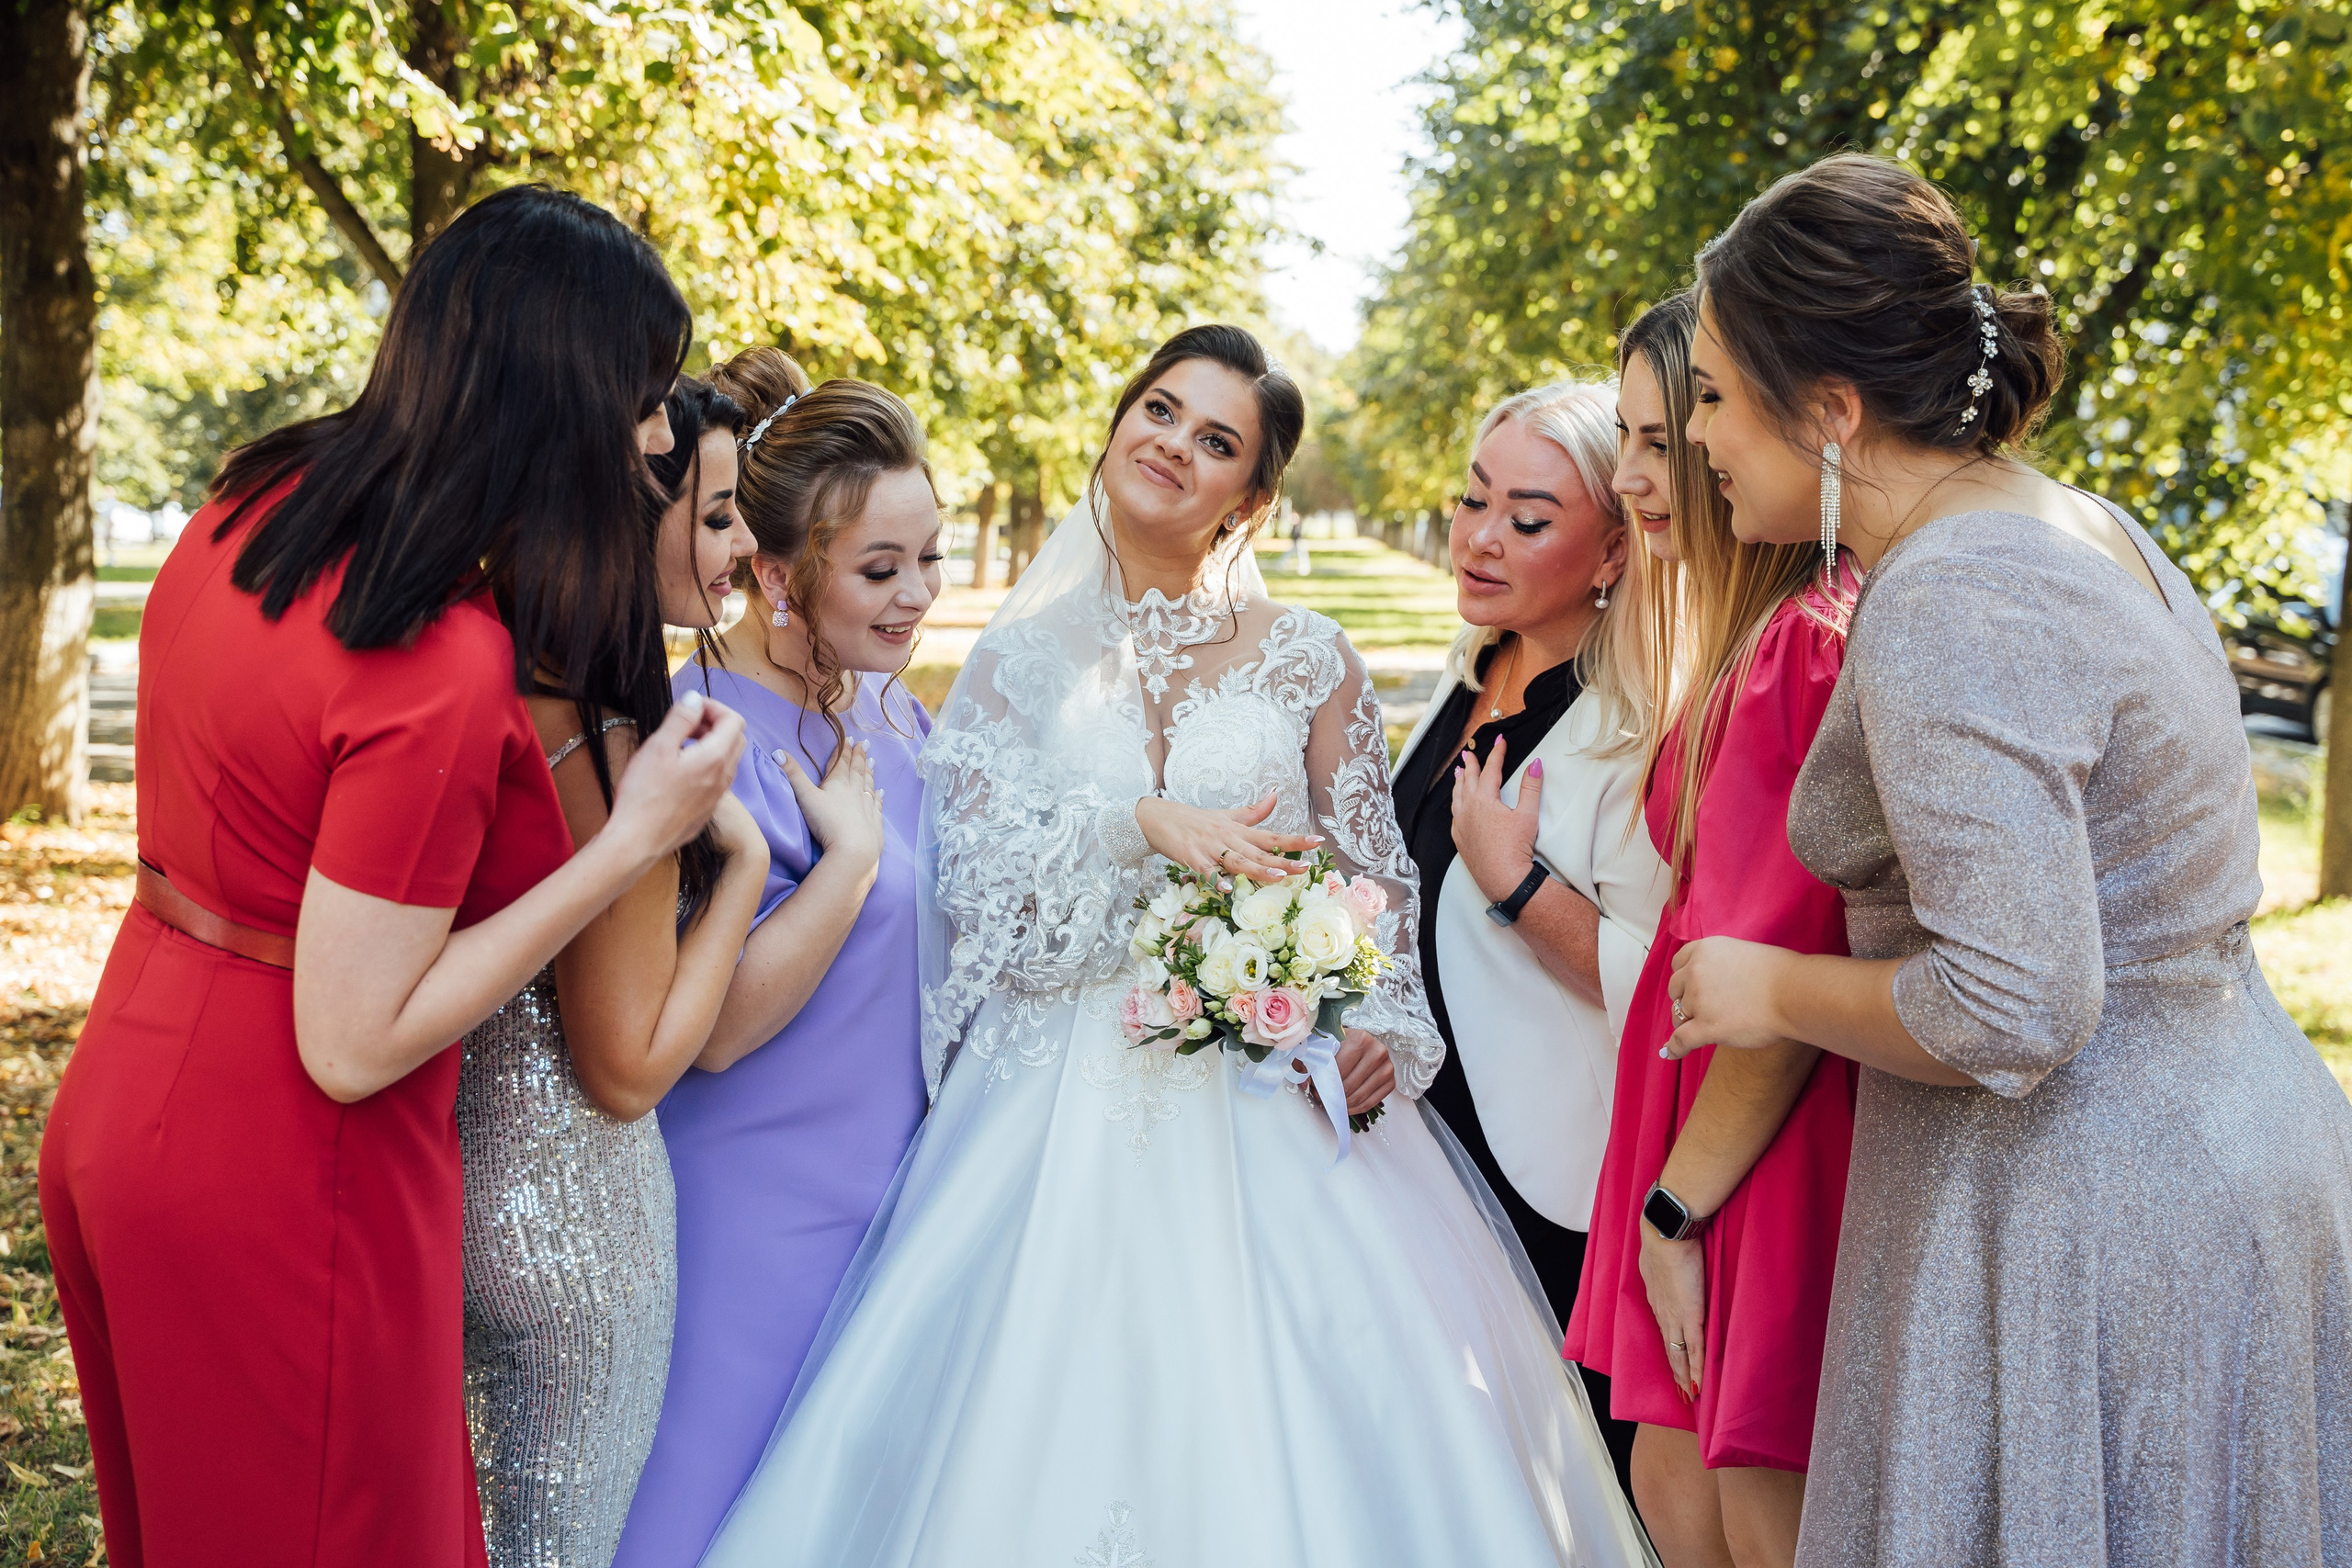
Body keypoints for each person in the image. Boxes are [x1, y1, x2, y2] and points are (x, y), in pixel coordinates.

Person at [695, 324, 1653, 1567]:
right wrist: (1133, 827)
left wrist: (1374, 1026)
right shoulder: (1011, 663)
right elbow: (977, 901)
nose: (1171, 445)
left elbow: (1380, 894)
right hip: (1053, 1109)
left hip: (1277, 1101)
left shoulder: (1313, 658)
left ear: (1249, 498)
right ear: (1116, 423)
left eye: (1216, 441)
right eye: (1159, 408)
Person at [36, 185, 744, 1568]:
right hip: (289, 1176)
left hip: (124, 1094)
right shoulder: (435, 655)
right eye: (646, 396)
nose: (660, 434)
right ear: (560, 394)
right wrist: (629, 841)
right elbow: (352, 1039)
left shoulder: (262, 496)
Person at [1661, 153, 2352, 1568]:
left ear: (1833, 414)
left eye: (1719, 393)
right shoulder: (2080, 525)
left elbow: (2016, 1000)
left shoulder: (1955, 591)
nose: (1698, 434)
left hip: (2088, 1218)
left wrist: (1776, 990)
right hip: (2216, 1150)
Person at [614, 352, 942, 1568]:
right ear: (772, 574)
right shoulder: (699, 732)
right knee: (704, 1522)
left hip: (896, 1196)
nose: (917, 596)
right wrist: (847, 863)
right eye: (879, 568)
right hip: (746, 1215)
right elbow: (719, 1025)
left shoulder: (896, 713)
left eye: (930, 556)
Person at [1565, 289, 1858, 1568]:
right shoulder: (1744, 641)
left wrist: (1677, 1212)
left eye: (1659, 440)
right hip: (1698, 1144)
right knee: (1676, 1498)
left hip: (1748, 1159)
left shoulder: (1803, 647)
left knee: (1732, 1519)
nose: (1629, 476)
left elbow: (1782, 966)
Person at [459, 375, 770, 1568]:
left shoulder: (501, 672)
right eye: (718, 512)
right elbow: (627, 1063)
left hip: (460, 1188)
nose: (744, 542)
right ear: (622, 502)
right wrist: (735, 864)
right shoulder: (606, 734)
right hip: (576, 1231)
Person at [1387, 378, 1670, 1496]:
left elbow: (1658, 981)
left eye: (1528, 518)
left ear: (1610, 552)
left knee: (1550, 1489)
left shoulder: (1636, 730)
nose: (1479, 540)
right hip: (1408, 1148)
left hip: (1539, 1179)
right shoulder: (1460, 683)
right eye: (1471, 502)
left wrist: (1515, 884)